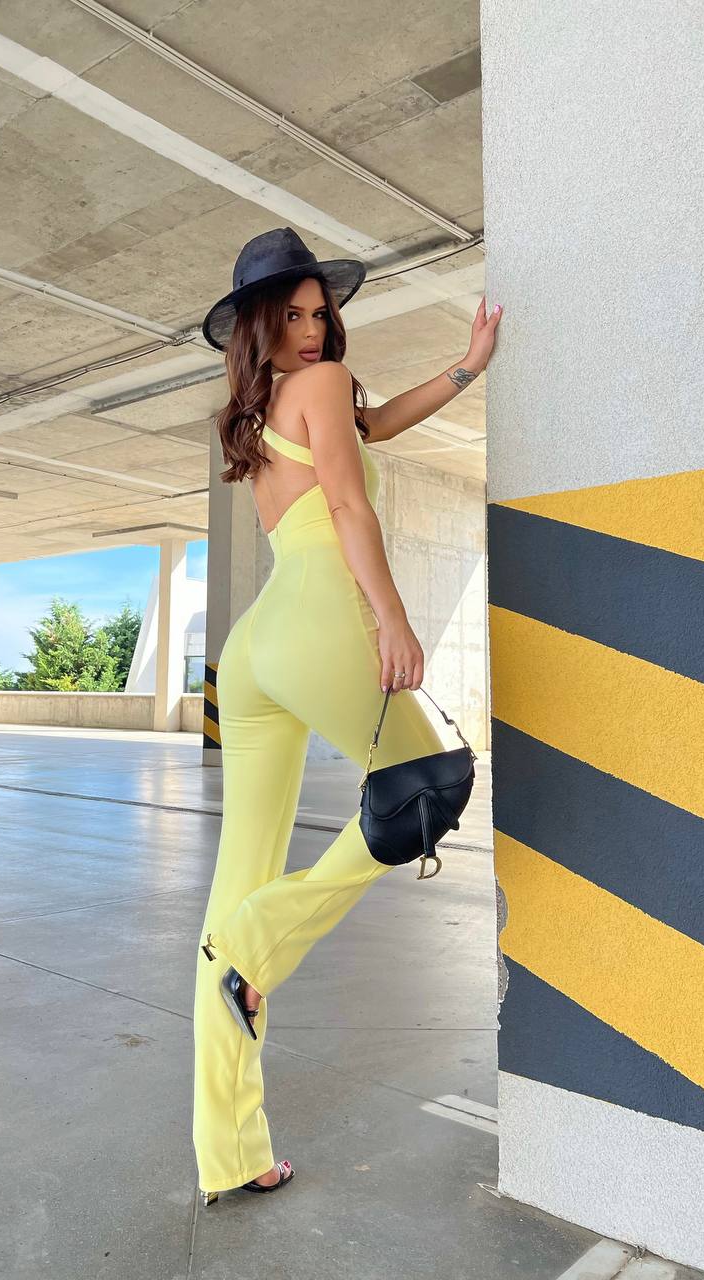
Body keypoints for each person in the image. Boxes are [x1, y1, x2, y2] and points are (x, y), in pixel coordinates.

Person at [191, 226, 501, 1205]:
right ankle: (257, 949)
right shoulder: (316, 389)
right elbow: (349, 507)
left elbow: (373, 429)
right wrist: (393, 621)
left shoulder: (263, 412)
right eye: (292, 315)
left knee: (226, 896)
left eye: (321, 312)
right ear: (258, 326)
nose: (315, 330)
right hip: (323, 612)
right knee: (432, 780)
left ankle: (229, 1149)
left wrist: (461, 369)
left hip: (253, 649)